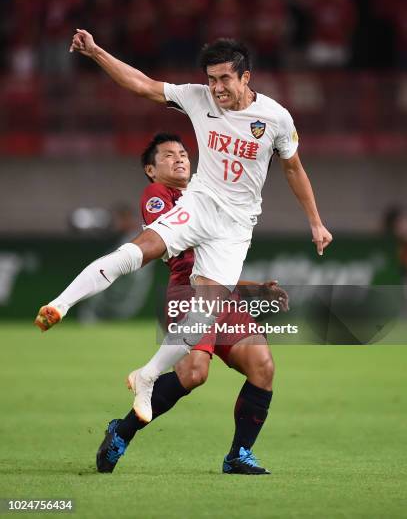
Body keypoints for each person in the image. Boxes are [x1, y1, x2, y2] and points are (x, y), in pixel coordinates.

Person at [35, 31, 332, 428]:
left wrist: (315, 220)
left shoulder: (276, 118)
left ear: (246, 77)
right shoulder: (197, 98)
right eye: (211, 79)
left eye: (225, 79)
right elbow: (141, 84)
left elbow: (293, 168)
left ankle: (147, 375)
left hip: (235, 227)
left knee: (204, 314)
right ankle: (62, 303)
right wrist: (96, 52)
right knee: (140, 249)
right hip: (200, 203)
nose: (216, 87)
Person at [96, 132, 288, 475]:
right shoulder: (158, 195)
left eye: (183, 152)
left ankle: (238, 455)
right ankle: (122, 431)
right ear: (151, 170)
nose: (179, 158)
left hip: (221, 295)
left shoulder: (205, 192)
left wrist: (252, 287)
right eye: (168, 155)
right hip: (188, 293)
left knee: (263, 366)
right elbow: (184, 245)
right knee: (193, 373)